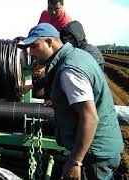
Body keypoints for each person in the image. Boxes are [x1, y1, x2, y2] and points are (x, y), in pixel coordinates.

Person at [17, 23, 123, 179]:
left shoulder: (69, 69)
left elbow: (90, 118)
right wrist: (61, 117)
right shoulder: (75, 56)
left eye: (34, 46)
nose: (31, 53)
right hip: (101, 148)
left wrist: (75, 161)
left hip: (94, 155)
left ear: (49, 42)